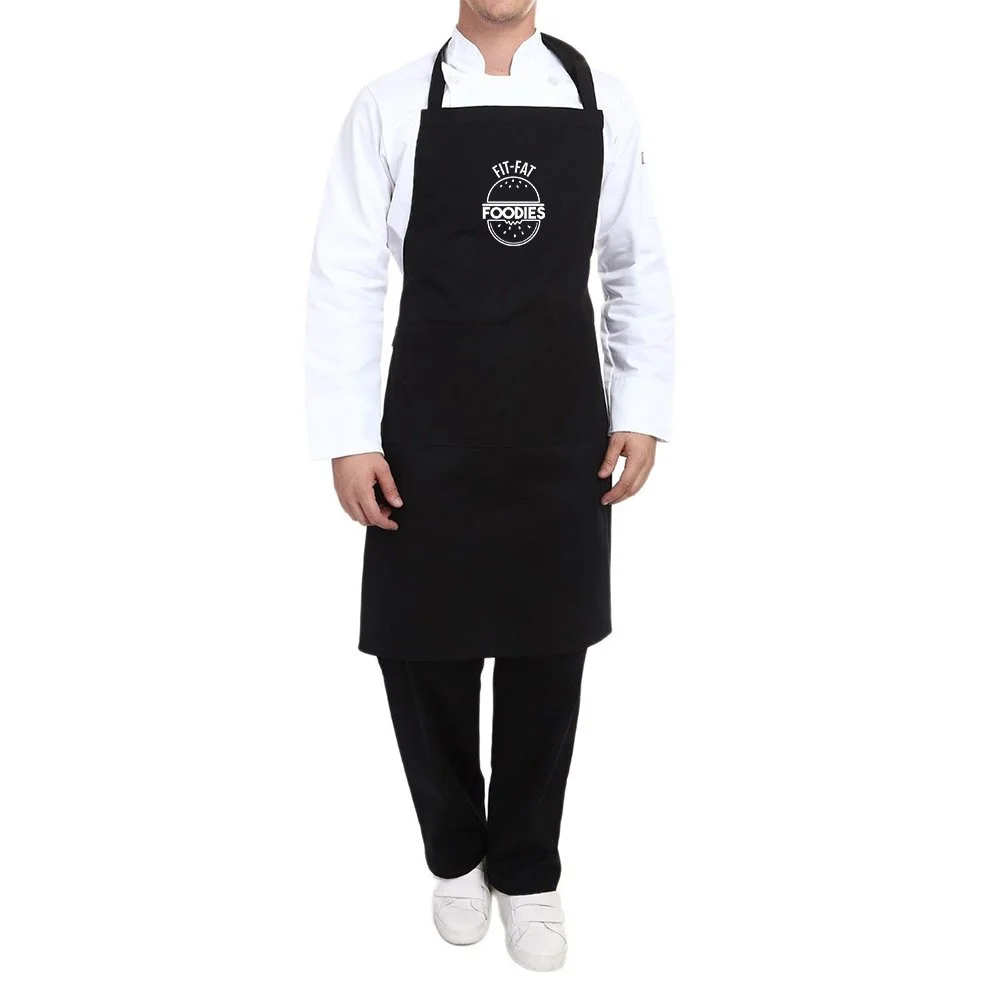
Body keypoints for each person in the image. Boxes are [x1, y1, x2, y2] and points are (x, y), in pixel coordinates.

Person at [305, 0, 674, 972]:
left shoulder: (602, 101)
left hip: (561, 427)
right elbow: (346, 274)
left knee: (549, 655)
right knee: (421, 652)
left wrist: (641, 405)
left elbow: (634, 263)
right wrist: (346, 435)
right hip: (428, 428)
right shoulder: (389, 105)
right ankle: (454, 855)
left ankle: (529, 869)